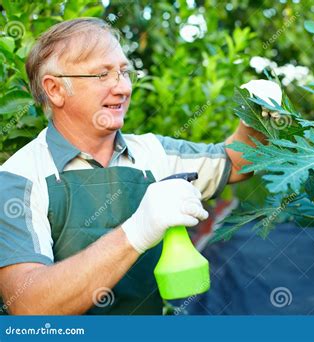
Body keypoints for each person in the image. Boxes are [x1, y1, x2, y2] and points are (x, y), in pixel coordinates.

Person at [0, 18, 282, 315]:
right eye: (102, 74)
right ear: (55, 89)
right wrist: (135, 233)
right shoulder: (20, 178)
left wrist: (255, 116)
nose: (121, 87)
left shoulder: (154, 153)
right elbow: (29, 304)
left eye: (123, 72)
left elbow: (239, 161)